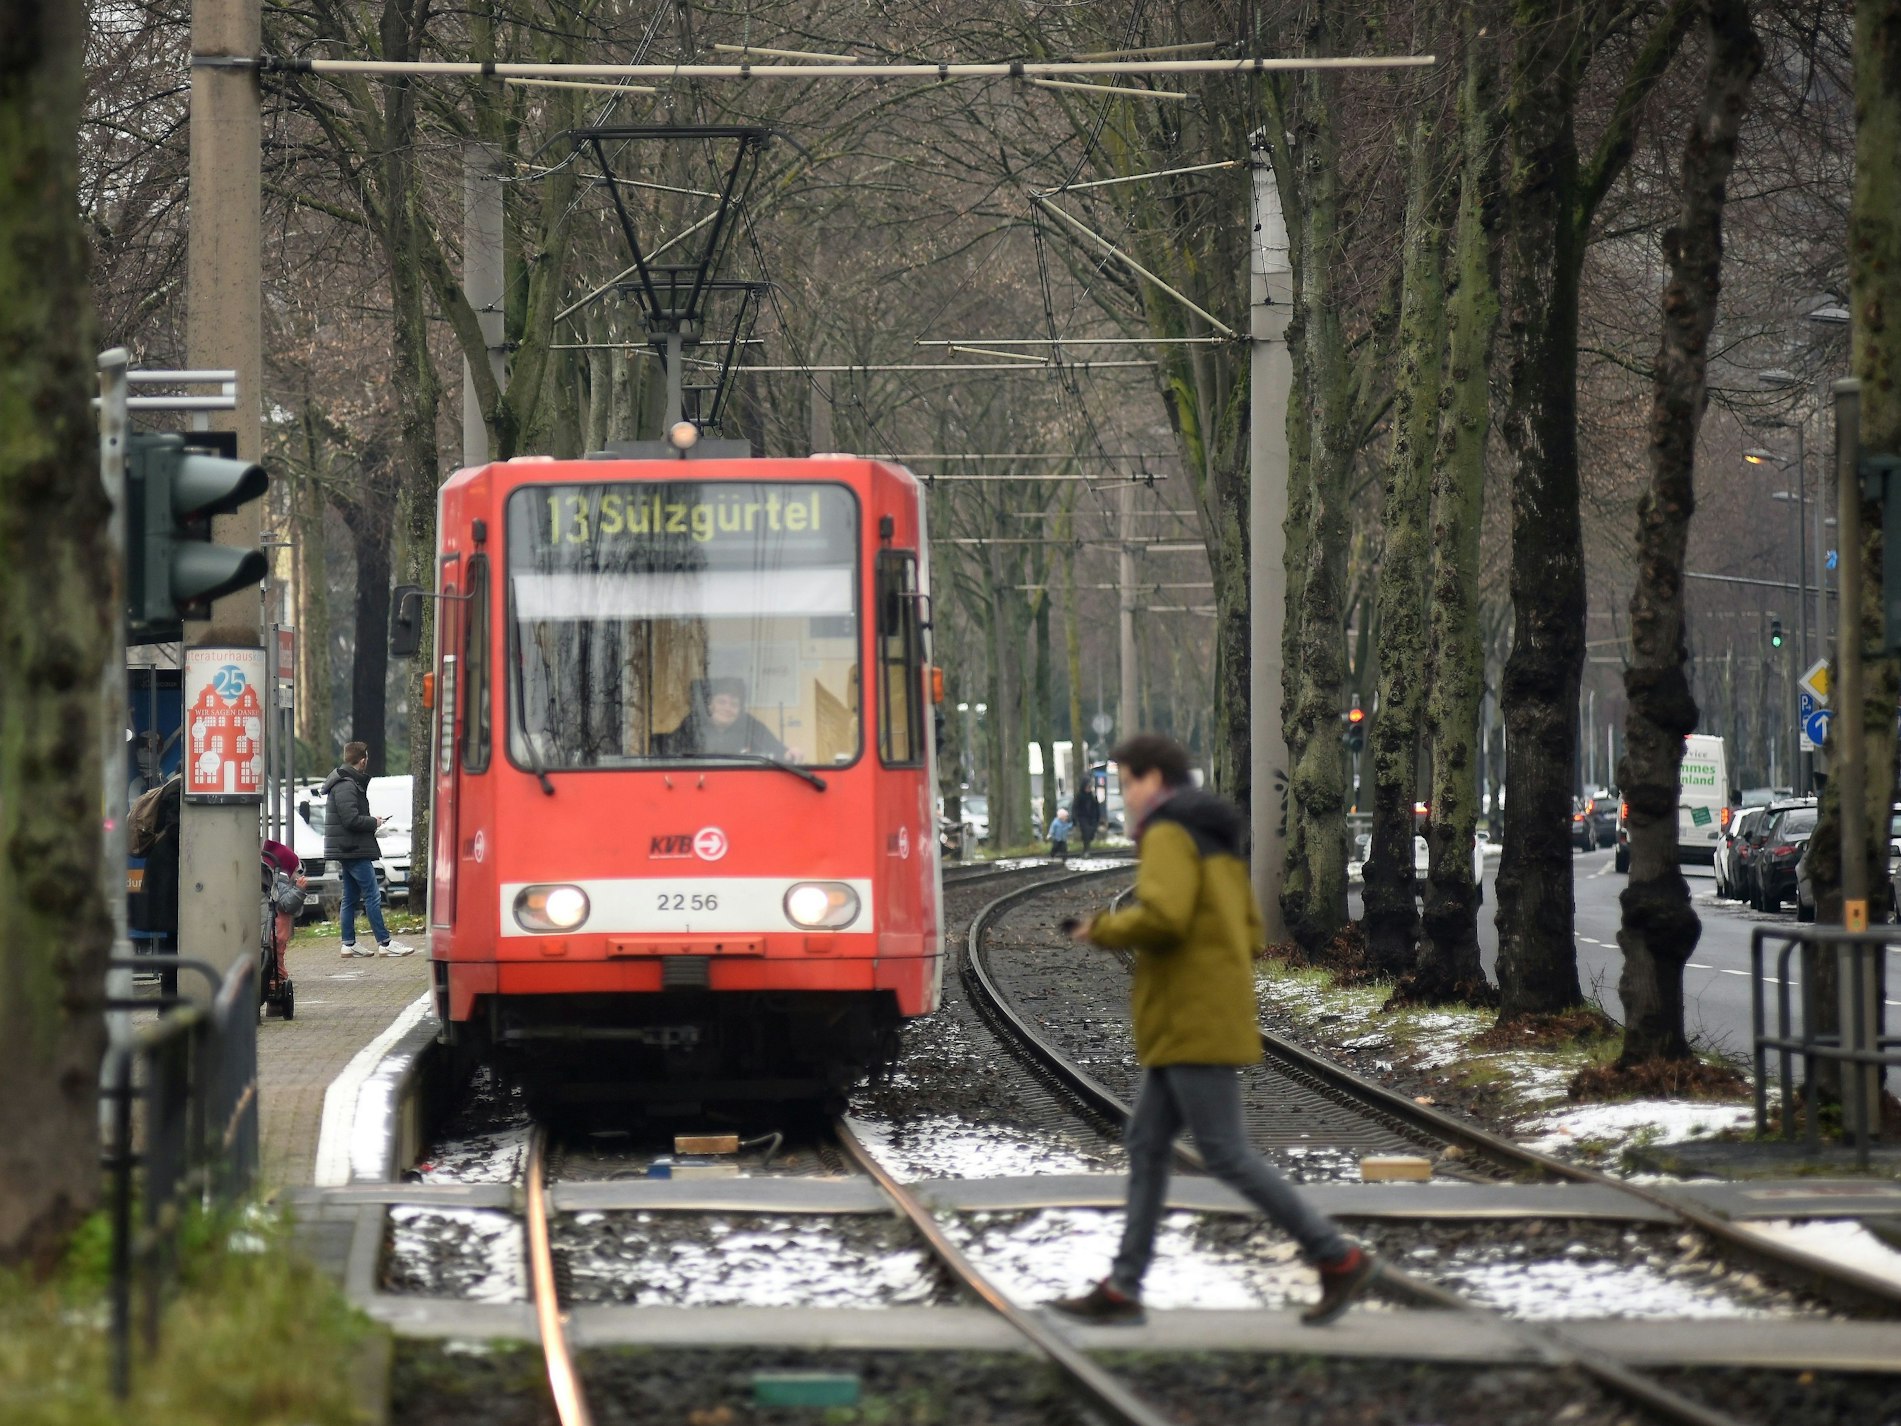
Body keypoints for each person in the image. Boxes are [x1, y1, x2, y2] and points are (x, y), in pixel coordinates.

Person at [1049, 733, 1377, 1327]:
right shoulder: (1216, 844)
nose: (1124, 797)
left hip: (1187, 1015)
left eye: (1127, 783)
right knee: (1148, 1146)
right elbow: (1248, 929)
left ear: (1153, 780)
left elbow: (1167, 917)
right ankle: (1124, 1287)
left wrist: (1104, 930)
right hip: (1203, 1010)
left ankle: (1337, 1255)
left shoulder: (1169, 833)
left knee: (1224, 1152)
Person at [321, 742, 414, 958]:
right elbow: (350, 819)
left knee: (351, 896)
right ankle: (385, 942)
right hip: (352, 848)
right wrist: (374, 821)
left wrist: (373, 822)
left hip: (349, 847)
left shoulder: (346, 781)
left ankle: (349, 943)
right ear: (363, 760)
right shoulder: (346, 784)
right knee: (372, 893)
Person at [663, 677, 792, 759]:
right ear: (710, 705)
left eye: (734, 704)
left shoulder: (750, 726)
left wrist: (788, 753)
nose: (727, 708)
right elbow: (670, 752)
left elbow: (776, 750)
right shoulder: (693, 724)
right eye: (721, 702)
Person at [260, 840, 305, 989]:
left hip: (266, 930)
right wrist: (299, 890)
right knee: (275, 958)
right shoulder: (279, 884)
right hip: (275, 931)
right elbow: (287, 904)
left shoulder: (264, 882)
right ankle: (276, 982)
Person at [1071, 784, 1102, 854]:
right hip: (1082, 817)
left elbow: (1096, 807)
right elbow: (1075, 807)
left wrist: (1098, 817)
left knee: (1092, 831)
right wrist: (1075, 818)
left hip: (1092, 817)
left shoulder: (1092, 796)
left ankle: (1088, 847)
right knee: (1086, 832)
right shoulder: (1079, 796)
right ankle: (1086, 849)